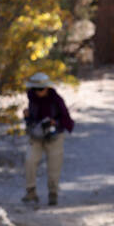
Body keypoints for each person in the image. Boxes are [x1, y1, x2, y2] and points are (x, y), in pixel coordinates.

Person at [21, 72, 74, 206]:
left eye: (41, 89)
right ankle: (31, 191)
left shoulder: (57, 100)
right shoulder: (31, 98)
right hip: (36, 136)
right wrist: (27, 117)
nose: (38, 92)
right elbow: (32, 120)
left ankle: (53, 193)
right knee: (29, 160)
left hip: (54, 137)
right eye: (36, 89)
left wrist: (54, 123)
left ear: (47, 88)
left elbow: (66, 119)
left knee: (54, 166)